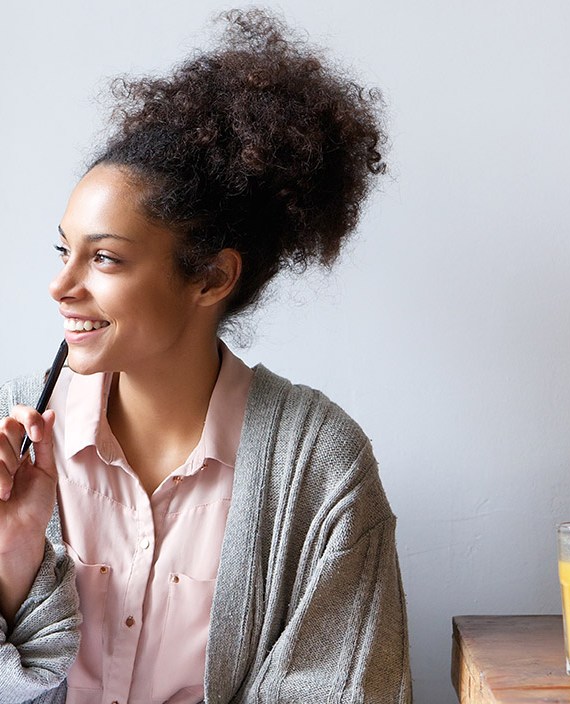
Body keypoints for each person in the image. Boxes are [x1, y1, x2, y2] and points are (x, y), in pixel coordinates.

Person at [0, 9, 411, 704]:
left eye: (104, 258)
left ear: (212, 278)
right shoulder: (13, 440)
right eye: (62, 250)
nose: (61, 286)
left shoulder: (321, 465)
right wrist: (13, 565)